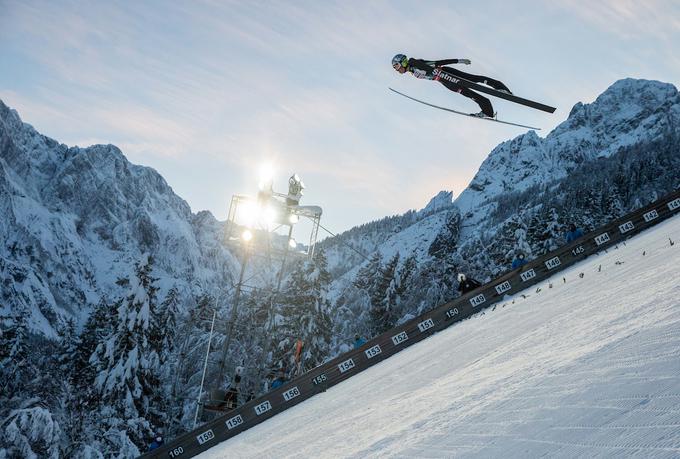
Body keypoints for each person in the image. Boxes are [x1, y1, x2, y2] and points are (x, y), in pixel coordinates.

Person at [392, 53, 512, 118]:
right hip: (444, 81)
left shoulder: (414, 63)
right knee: (469, 94)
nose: (397, 70)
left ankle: (500, 88)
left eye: (396, 66)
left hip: (447, 73)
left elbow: (438, 63)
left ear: (403, 61)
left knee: (473, 79)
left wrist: (458, 60)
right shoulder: (412, 71)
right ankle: (487, 111)